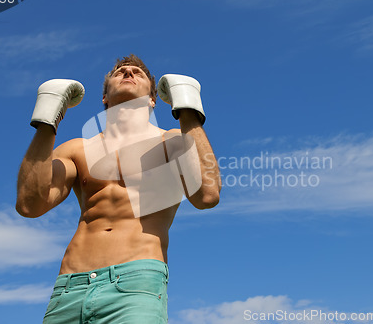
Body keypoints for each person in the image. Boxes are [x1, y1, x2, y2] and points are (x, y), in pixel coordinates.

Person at [16, 54, 221, 324]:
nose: (128, 72)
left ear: (152, 98)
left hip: (135, 284)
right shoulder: (77, 148)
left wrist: (188, 109)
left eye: (137, 72)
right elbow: (30, 205)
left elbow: (207, 195)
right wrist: (47, 120)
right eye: (120, 72)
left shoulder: (171, 142)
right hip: (69, 287)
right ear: (104, 97)